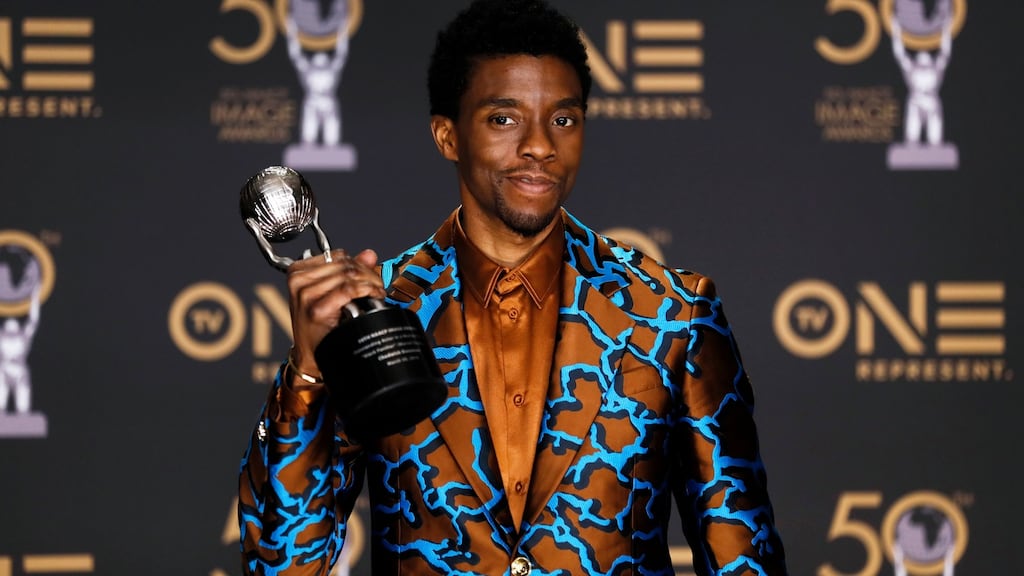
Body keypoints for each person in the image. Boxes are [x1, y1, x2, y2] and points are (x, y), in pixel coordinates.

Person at [239, 1, 788, 575]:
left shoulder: (673, 313)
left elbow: (743, 556)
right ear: (447, 136)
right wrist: (306, 375)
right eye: (504, 118)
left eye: (564, 119)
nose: (540, 145)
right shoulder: (380, 313)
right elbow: (282, 565)